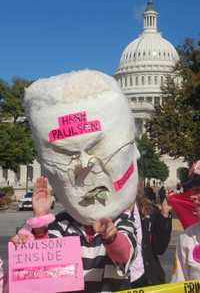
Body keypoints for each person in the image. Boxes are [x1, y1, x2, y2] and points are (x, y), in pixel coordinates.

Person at [12, 69, 142, 292]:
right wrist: (38, 225)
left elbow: (123, 254)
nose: (84, 165)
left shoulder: (120, 222)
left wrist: (110, 237)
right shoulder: (61, 224)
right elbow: (44, 264)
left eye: (96, 147)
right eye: (66, 155)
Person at [131, 181, 172, 286]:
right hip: (120, 281)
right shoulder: (110, 212)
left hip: (148, 280)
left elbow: (159, 248)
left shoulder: (150, 210)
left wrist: (164, 215)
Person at [171, 160, 200, 281]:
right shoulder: (186, 238)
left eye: (199, 191)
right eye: (194, 190)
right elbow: (178, 285)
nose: (193, 197)